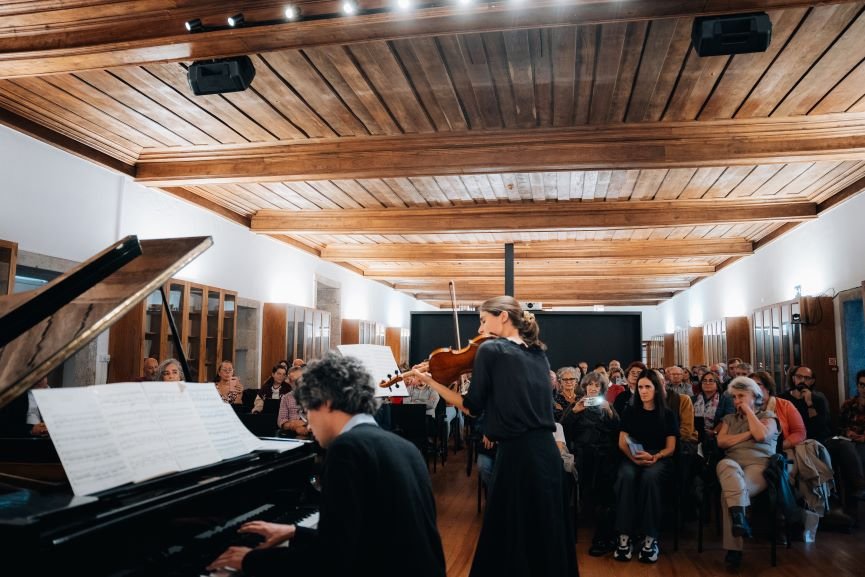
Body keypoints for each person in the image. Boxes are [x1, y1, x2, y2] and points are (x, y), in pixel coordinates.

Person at [206, 353, 446, 577]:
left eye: (308, 408)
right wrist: (296, 532)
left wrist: (251, 560)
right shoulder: (405, 448)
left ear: (327, 402)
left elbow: (330, 560)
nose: (308, 423)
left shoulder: (347, 449)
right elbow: (361, 539)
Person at [404, 295, 575, 577]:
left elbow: (471, 407)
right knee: (544, 535)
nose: (480, 329)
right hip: (546, 455)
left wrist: (428, 380)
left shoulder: (492, 349)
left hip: (517, 456)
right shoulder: (538, 354)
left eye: (483, 320)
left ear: (503, 317)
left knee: (508, 538)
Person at [613, 369, 677, 564]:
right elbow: (622, 442)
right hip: (633, 455)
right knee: (626, 476)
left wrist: (655, 457)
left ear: (656, 389)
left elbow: (671, 448)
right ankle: (624, 535)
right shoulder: (630, 411)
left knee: (650, 478)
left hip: (659, 457)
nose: (643, 391)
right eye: (640, 387)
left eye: (647, 387)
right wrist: (634, 460)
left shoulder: (667, 414)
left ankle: (650, 537)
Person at [715, 376, 779, 571]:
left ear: (755, 396)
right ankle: (740, 522)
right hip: (732, 464)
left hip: (759, 465)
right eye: (734, 397)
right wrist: (748, 435)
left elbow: (761, 435)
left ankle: (734, 550)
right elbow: (722, 442)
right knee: (726, 464)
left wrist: (749, 413)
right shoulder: (729, 419)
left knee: (728, 494)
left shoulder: (768, 417)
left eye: (741, 396)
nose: (737, 401)